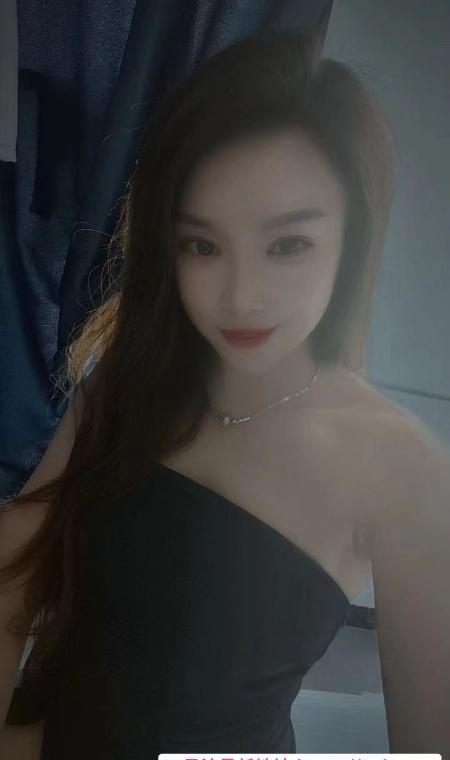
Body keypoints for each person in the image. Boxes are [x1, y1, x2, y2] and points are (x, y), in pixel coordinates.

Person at [1, 29, 450, 759]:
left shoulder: (403, 470)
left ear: (352, 239)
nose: (242, 296)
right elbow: (10, 585)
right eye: (201, 245)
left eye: (288, 245)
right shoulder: (130, 380)